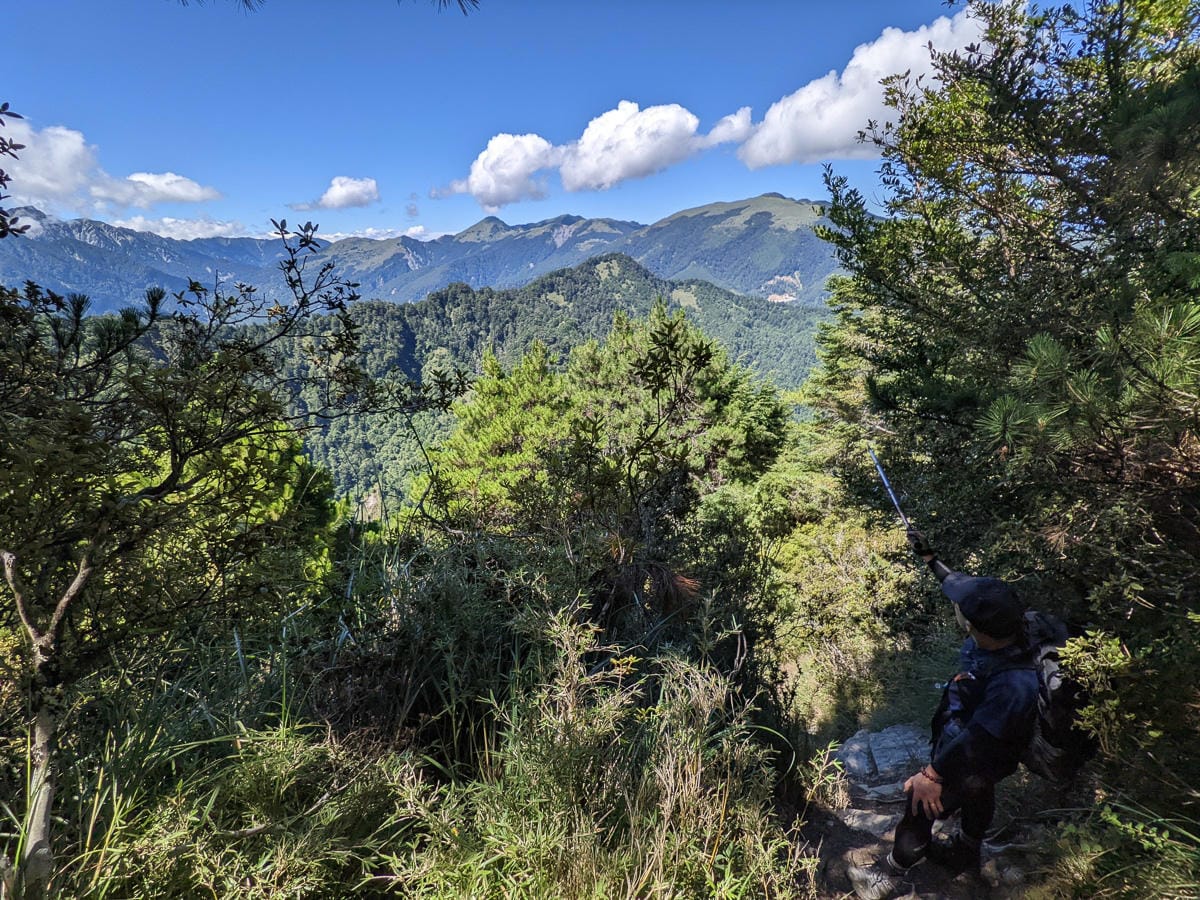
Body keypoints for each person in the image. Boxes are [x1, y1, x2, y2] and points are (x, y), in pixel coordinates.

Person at [848, 529, 1040, 900]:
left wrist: (932, 774)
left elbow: (979, 739)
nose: (958, 609)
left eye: (963, 612)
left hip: (974, 753)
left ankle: (888, 876)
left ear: (974, 627)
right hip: (983, 753)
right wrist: (931, 559)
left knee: (921, 805)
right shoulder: (1012, 626)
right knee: (979, 791)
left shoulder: (1014, 684)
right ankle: (967, 852)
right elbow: (967, 591)